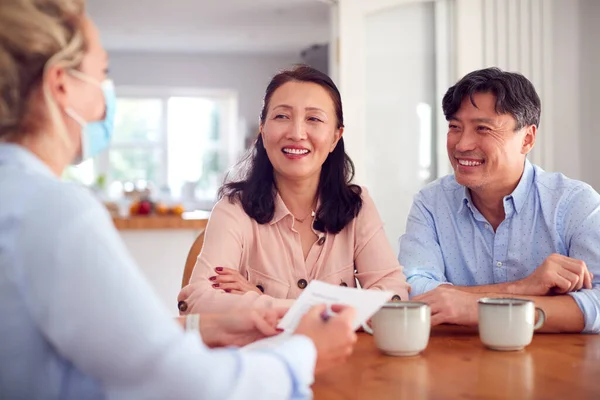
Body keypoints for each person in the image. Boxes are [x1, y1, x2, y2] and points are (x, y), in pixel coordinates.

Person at [0, 1, 359, 398]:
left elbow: (110, 341)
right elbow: (183, 384)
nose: (106, 94)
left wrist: (206, 327)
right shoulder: (54, 212)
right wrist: (304, 352)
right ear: (60, 84)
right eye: (102, 73)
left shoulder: (19, 195)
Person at [177, 65, 410, 315]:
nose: (297, 133)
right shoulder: (234, 209)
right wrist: (331, 308)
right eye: (282, 117)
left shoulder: (357, 205)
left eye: (314, 119)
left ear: (335, 136)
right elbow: (196, 303)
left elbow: (394, 295)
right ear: (263, 131)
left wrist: (262, 301)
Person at [398, 67, 600, 333]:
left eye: (482, 128)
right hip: (454, 363)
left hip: (557, 366)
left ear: (527, 139)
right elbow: (415, 292)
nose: (462, 144)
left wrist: (472, 307)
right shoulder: (431, 203)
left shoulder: (574, 203)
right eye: (455, 127)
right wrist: (522, 288)